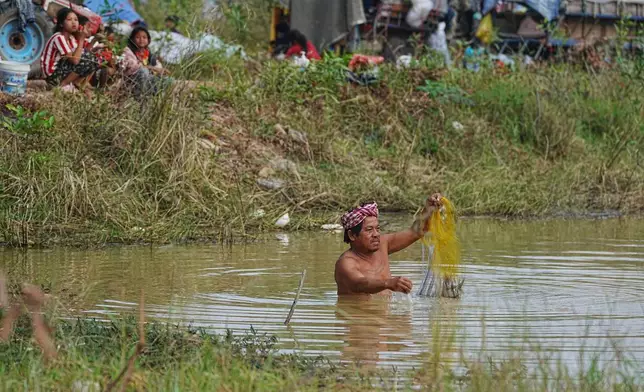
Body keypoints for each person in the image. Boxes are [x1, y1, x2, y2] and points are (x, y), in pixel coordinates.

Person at [334, 194, 443, 296]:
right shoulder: (345, 263)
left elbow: (417, 232)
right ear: (352, 235)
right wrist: (388, 283)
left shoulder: (383, 244)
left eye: (377, 229)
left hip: (385, 313)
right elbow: (360, 284)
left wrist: (429, 209)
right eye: (369, 230)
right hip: (358, 315)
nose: (376, 234)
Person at [40, 7, 99, 90]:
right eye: (69, 19)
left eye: (76, 19)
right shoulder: (59, 37)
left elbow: (83, 54)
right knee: (87, 58)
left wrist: (91, 41)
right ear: (61, 24)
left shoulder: (71, 38)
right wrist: (82, 39)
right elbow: (75, 60)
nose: (74, 22)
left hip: (59, 70)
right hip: (52, 75)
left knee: (94, 60)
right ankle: (62, 85)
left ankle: (76, 83)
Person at [121, 26, 170, 97]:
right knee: (143, 71)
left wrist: (161, 71)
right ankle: (140, 97)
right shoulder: (127, 51)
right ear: (132, 39)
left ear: (148, 40)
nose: (141, 40)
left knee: (167, 80)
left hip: (147, 81)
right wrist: (153, 68)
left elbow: (157, 65)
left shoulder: (147, 52)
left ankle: (155, 99)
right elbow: (134, 67)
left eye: (144, 37)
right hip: (131, 82)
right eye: (138, 37)